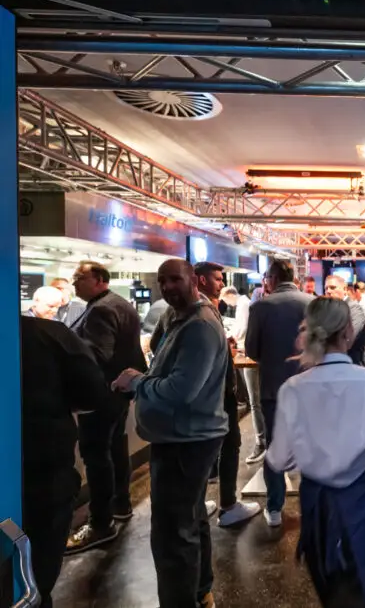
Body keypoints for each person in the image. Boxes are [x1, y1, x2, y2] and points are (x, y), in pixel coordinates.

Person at [266, 297, 365, 607]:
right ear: (348, 332)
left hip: (316, 508)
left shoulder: (292, 388)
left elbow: (279, 459)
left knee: (330, 594)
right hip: (364, 505)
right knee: (363, 589)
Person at [111, 259, 229, 608]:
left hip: (185, 441)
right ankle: (200, 591)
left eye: (175, 279)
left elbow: (181, 391)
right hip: (185, 437)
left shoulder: (199, 326)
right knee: (189, 519)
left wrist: (138, 382)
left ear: (193, 280)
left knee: (172, 535)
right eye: (162, 281)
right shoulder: (181, 317)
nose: (167, 287)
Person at [21, 316, 112, 608]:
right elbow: (93, 393)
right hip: (43, 469)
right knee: (36, 578)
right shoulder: (49, 334)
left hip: (42, 470)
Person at [66, 261, 147, 555]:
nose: (74, 283)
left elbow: (96, 355)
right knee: (115, 448)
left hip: (100, 395)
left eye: (79, 277)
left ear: (99, 279)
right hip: (117, 393)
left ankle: (100, 524)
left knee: (97, 456)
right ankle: (120, 505)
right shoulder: (120, 304)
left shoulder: (101, 309)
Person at [246, 259, 314, 527]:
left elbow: (251, 350)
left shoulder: (261, 307)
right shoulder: (313, 303)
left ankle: (274, 507)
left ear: (272, 278)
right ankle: (312, 504)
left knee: (275, 447)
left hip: (274, 387)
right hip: (309, 387)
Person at [194, 263, 262, 527]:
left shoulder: (193, 308)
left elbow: (157, 342)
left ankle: (199, 504)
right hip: (218, 391)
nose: (222, 283)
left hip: (209, 393)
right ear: (201, 280)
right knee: (228, 444)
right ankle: (228, 506)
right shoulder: (202, 310)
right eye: (217, 278)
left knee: (208, 446)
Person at [222, 286, 266, 463]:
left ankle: (261, 443)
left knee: (256, 401)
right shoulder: (250, 304)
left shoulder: (245, 305)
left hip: (250, 356)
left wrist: (230, 338)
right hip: (256, 356)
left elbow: (242, 329)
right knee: (259, 401)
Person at [326, 275, 365, 365]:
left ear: (345, 289)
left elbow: (349, 339)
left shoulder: (354, 309)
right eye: (326, 288)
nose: (328, 291)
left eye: (332, 287)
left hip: (353, 364)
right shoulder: (330, 310)